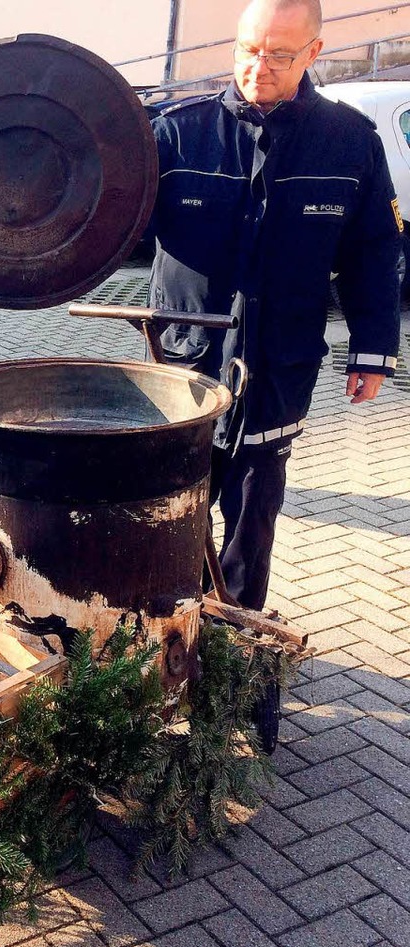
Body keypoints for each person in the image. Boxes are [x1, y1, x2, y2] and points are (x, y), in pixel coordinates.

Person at [150, 0, 401, 610]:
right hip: (183, 362)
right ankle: (162, 629)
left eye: (279, 55)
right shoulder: (177, 133)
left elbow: (373, 254)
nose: (258, 66)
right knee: (164, 509)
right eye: (247, 50)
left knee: (252, 514)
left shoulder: (349, 143)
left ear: (313, 54)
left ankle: (238, 641)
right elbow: (104, 224)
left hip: (279, 365)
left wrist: (371, 354)